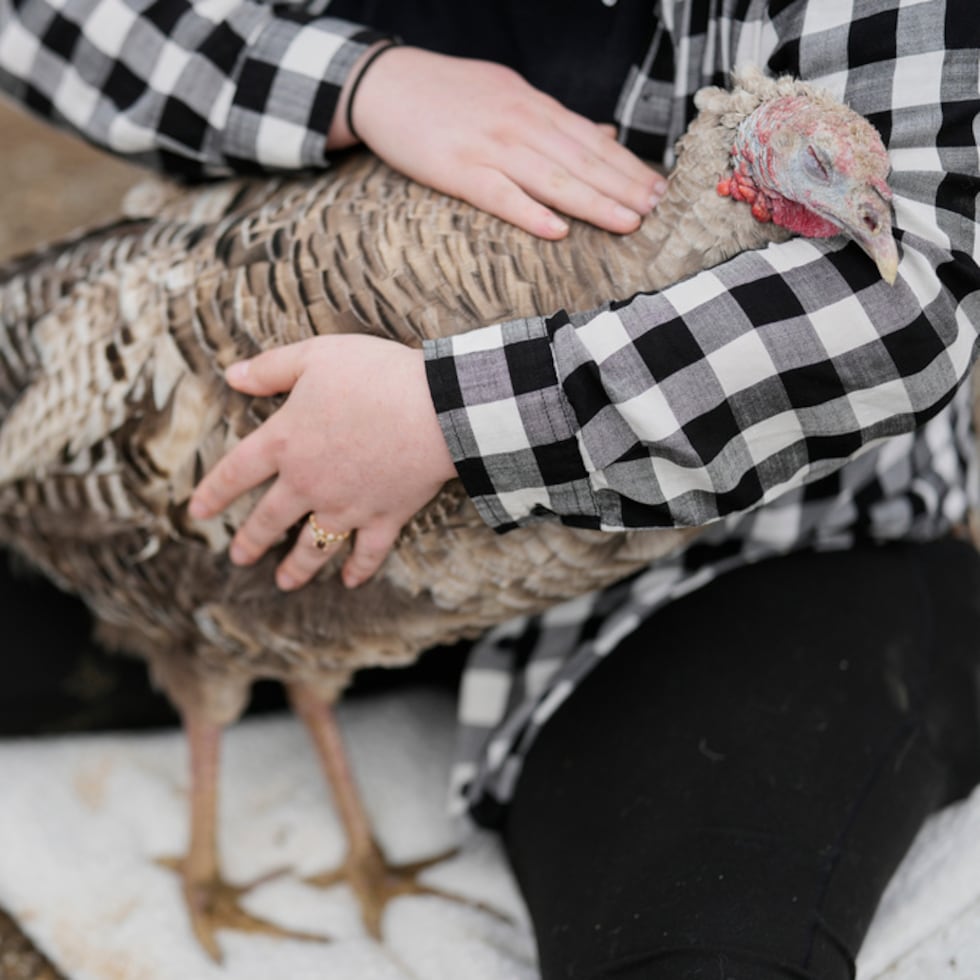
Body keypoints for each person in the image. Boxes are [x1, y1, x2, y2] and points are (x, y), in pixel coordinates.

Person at [2, 1, 980, 977]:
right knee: (196, 596)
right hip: (306, 486)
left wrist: (445, 418)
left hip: (738, 554)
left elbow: (900, 305)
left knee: (706, 949)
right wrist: (356, 84)